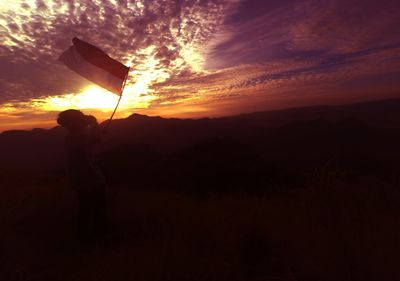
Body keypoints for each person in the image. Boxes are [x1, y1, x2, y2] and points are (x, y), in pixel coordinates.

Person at [57, 109, 107, 239]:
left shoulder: (72, 137)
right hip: (90, 179)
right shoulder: (78, 137)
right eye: (80, 118)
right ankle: (96, 237)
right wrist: (94, 123)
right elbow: (96, 139)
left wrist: (95, 130)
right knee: (97, 209)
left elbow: (94, 140)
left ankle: (84, 236)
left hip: (80, 179)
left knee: (85, 208)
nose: (84, 119)